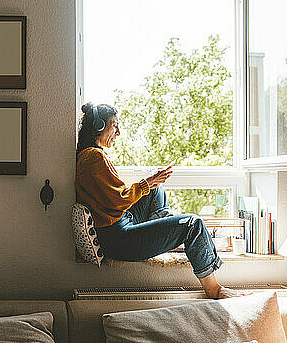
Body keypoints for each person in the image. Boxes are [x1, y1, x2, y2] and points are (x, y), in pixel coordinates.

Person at [75, 102, 247, 299]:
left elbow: (113, 198)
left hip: (118, 225)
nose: (118, 132)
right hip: (119, 239)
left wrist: (151, 183)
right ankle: (214, 289)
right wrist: (147, 182)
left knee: (156, 190)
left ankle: (168, 238)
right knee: (193, 224)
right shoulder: (94, 158)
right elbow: (118, 200)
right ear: (98, 127)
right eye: (114, 125)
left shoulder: (90, 155)